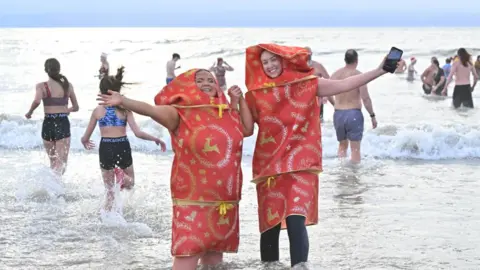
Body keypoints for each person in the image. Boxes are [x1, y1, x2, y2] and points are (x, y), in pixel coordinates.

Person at [243, 43, 395, 267]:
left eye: (274, 60)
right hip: (269, 167)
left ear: (285, 60)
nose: (270, 65)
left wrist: (380, 70)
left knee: (296, 220)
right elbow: (245, 129)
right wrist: (236, 101)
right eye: (265, 62)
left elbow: (344, 84)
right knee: (270, 226)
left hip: (301, 163)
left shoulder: (307, 84)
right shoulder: (256, 95)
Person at [97, 69, 253, 270]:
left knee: (214, 262)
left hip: (223, 203)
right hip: (193, 201)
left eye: (210, 80)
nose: (207, 83)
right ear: (188, 86)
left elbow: (247, 129)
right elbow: (151, 110)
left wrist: (238, 100)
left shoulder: (225, 112)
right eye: (199, 80)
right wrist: (124, 101)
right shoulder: (180, 113)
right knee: (186, 257)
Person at [81, 66, 166, 212]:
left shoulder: (97, 111)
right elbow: (138, 133)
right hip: (122, 145)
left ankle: (107, 218)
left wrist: (85, 141)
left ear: (101, 91)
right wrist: (155, 139)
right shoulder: (126, 110)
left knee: (109, 191)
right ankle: (121, 176)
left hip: (106, 147)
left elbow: (86, 136)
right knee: (130, 183)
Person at [25, 58, 79, 175]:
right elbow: (76, 107)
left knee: (53, 162)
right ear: (59, 69)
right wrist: (66, 110)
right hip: (62, 122)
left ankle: (51, 189)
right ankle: (56, 190)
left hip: (48, 124)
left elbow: (37, 101)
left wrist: (30, 112)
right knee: (61, 164)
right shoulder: (67, 86)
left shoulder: (41, 86)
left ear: (46, 70)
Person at [330, 49, 377, 163]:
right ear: (356, 60)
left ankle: (342, 171)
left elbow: (326, 95)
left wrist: (335, 104)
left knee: (342, 146)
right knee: (355, 149)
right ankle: (354, 174)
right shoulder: (358, 76)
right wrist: (372, 116)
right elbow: (365, 98)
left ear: (345, 60)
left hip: (338, 114)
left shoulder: (335, 75)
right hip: (353, 114)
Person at [305, 46, 334, 122]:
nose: (307, 56)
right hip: (304, 101)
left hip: (318, 100)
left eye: (309, 54)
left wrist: (326, 95)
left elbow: (329, 80)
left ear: (311, 54)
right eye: (305, 55)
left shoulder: (318, 66)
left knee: (318, 122)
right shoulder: (299, 67)